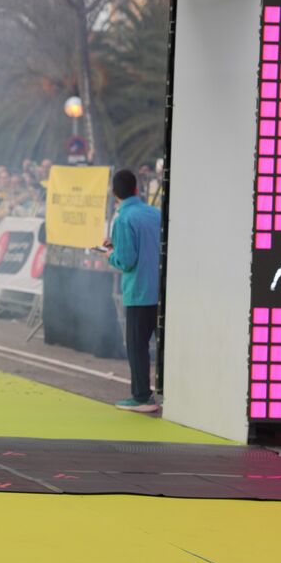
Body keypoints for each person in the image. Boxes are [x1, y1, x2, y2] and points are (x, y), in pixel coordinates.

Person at [104, 169, 162, 413]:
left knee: (137, 345)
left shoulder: (122, 219)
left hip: (139, 291)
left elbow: (126, 260)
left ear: (114, 192)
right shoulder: (154, 213)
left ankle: (141, 396)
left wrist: (110, 254)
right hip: (162, 288)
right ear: (136, 189)